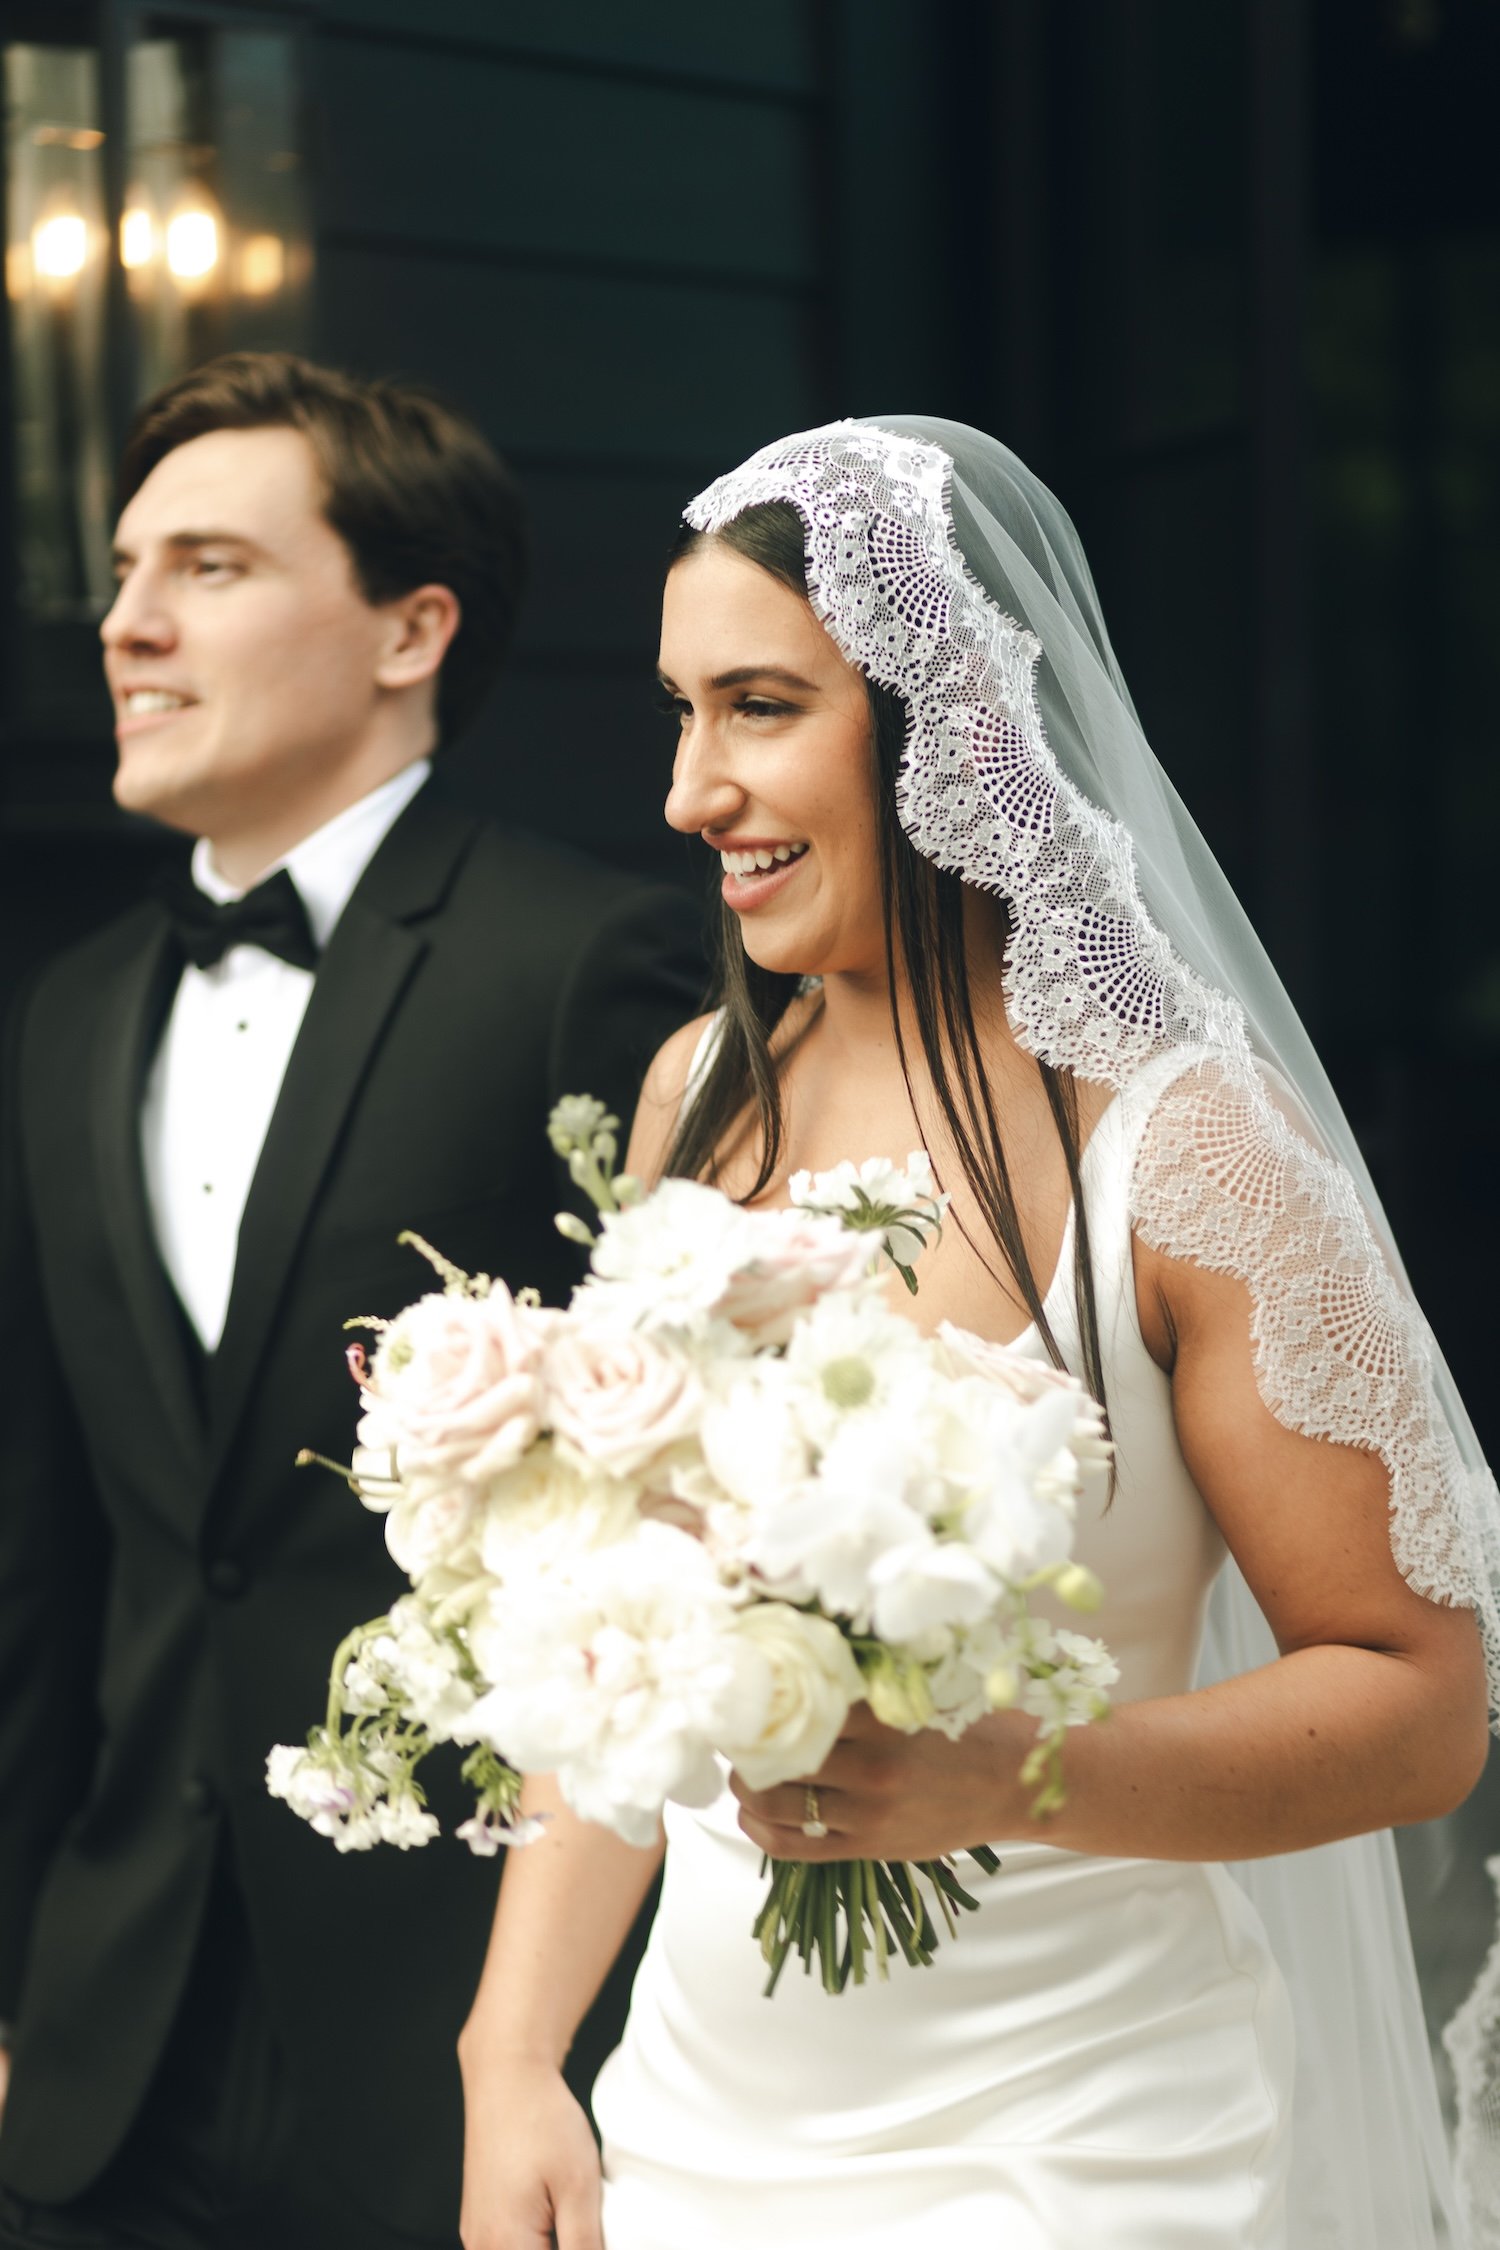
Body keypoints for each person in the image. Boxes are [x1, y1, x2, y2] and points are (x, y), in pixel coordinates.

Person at [455, 417, 1500, 2250]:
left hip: (1080, 2135)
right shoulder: (693, 1095)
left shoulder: (1185, 1146)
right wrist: (515, 2051)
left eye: (760, 706)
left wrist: (1004, 1769)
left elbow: (1419, 1699)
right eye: (681, 711)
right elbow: (614, 1646)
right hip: (703, 2124)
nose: (696, 789)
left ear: (946, 731)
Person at [0, 351, 704, 2250]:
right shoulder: (67, 1021)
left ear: (414, 626)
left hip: (467, 2046)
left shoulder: (593, 963)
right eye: (127, 568)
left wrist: (556, 2037)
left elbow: (687, 1529)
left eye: (209, 567)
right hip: (102, 2054)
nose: (128, 623)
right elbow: (42, 1554)